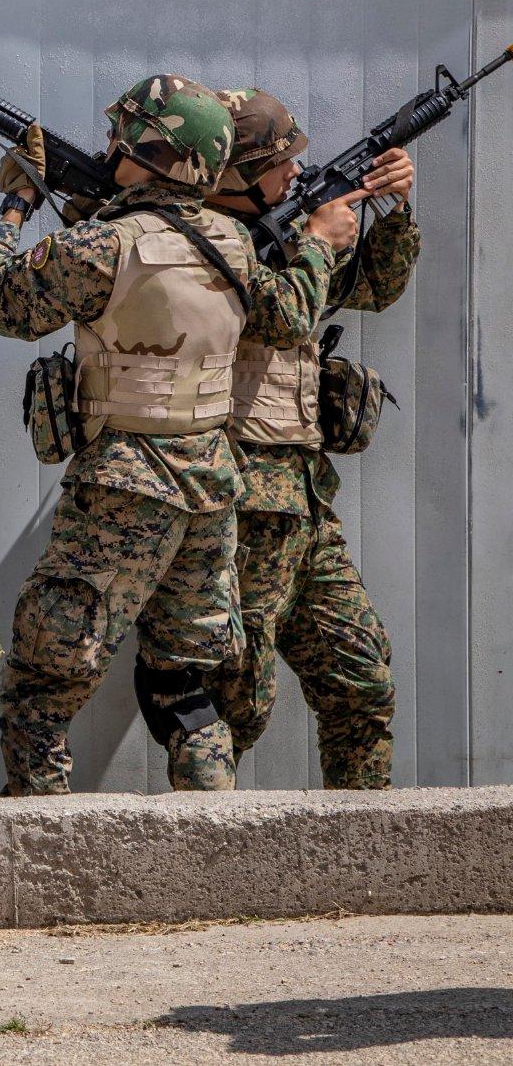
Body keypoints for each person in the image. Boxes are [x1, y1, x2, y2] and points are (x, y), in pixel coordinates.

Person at [0, 74, 359, 794]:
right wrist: (321, 247)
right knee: (186, 686)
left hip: (122, 485)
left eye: (123, 134)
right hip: (210, 489)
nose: (110, 143)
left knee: (42, 689)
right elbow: (292, 314)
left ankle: (37, 849)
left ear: (151, 149)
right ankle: (210, 835)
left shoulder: (100, 246)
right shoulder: (234, 242)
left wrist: (16, 205)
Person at [204, 89, 417, 787]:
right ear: (234, 173)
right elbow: (274, 317)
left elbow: (378, 286)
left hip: (305, 504)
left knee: (360, 674)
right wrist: (319, 242)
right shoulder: (204, 245)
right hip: (239, 506)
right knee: (237, 699)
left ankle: (364, 855)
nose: (296, 173)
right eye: (279, 163)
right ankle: (205, 865)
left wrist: (393, 210)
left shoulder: (295, 237)